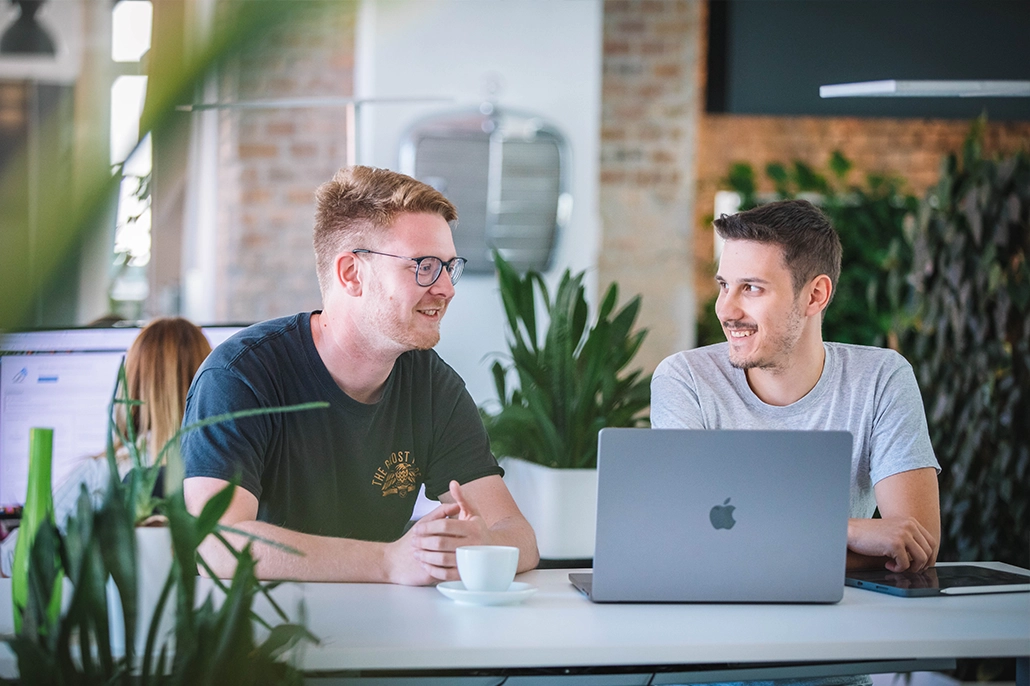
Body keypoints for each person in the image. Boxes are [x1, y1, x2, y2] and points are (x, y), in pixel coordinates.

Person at [181, 166, 539, 584]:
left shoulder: (431, 386)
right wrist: (388, 562)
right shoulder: (241, 376)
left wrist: (477, 547)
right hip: (264, 636)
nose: (446, 288)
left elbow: (520, 538)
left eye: (448, 266)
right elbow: (215, 543)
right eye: (424, 266)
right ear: (352, 274)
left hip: (385, 632)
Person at [651, 199, 940, 573]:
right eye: (725, 285)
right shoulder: (685, 379)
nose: (726, 309)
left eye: (751, 288)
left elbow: (914, 547)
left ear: (815, 295)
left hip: (842, 617)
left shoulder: (881, 378)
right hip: (715, 616)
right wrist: (845, 531)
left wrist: (751, 544)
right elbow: (689, 537)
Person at [1, 317, 212, 575]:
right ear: (208, 383)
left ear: (132, 384)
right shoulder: (222, 471)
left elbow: (16, 558)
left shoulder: (100, 474)